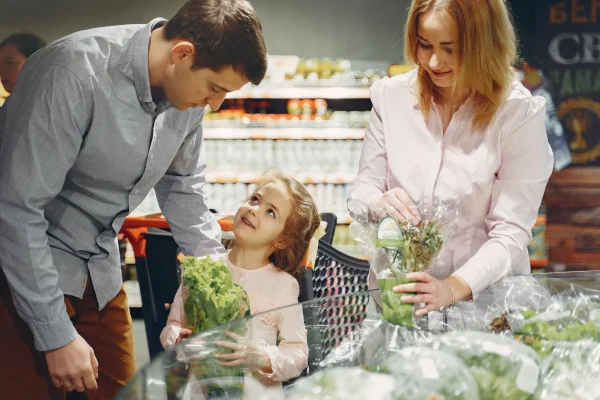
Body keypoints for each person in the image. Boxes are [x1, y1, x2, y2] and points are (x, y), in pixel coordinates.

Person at [0, 0, 267, 398]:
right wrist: (54, 335)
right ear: (182, 54)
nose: (215, 104)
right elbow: (18, 210)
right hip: (24, 277)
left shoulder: (185, 100)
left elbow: (183, 186)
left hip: (101, 270)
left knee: (127, 391)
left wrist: (216, 284)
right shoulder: (71, 74)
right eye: (215, 88)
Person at [347, 0, 553, 316]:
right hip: (397, 301)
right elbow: (363, 189)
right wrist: (377, 203)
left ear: (484, 44)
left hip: (484, 307)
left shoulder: (517, 113)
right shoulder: (391, 98)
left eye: (450, 48)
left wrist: (453, 287)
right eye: (423, 44)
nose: (433, 61)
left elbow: (511, 232)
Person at [161, 170, 322, 394]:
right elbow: (174, 325)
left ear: (283, 239)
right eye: (255, 199)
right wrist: (176, 338)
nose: (254, 209)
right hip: (201, 390)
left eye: (270, 212)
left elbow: (298, 354)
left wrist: (259, 356)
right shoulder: (203, 268)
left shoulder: (283, 285)